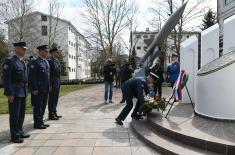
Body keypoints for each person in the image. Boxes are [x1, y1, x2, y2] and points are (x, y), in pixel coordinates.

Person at [2, 42, 30, 143]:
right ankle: (15, 135)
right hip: (15, 91)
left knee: (21, 113)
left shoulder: (22, 62)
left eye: (25, 49)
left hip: (23, 90)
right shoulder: (10, 61)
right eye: (23, 49)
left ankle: (20, 131)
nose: (24, 50)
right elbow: (7, 79)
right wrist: (9, 93)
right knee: (14, 115)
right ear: (17, 49)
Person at [29, 45, 50, 129]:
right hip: (38, 89)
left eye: (47, 51)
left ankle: (41, 121)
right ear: (40, 51)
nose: (47, 52)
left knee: (43, 106)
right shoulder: (35, 62)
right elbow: (32, 76)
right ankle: (37, 123)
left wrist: (49, 86)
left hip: (45, 88)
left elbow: (47, 76)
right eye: (45, 51)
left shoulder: (46, 62)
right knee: (38, 106)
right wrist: (34, 88)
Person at [48, 47, 62, 120]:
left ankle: (54, 112)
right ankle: (51, 114)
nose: (58, 53)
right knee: (52, 99)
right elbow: (49, 74)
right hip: (52, 82)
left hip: (57, 82)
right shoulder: (50, 61)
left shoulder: (57, 61)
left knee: (56, 99)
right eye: (57, 52)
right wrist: (49, 84)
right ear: (53, 53)